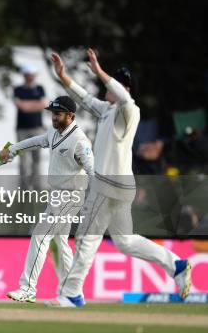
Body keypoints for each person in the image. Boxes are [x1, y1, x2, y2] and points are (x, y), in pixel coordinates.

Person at [48, 49, 193, 307]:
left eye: (113, 83)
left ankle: (72, 293)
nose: (106, 85)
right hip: (118, 187)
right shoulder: (107, 109)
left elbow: (124, 97)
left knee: (87, 238)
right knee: (125, 242)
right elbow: (83, 97)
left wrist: (99, 71)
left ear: (123, 88)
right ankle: (177, 265)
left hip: (108, 186)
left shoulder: (130, 110)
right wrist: (63, 76)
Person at [0, 96, 94, 303]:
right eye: (52, 113)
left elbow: (92, 170)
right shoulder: (54, 132)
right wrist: (13, 148)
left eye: (58, 114)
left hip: (70, 196)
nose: (53, 117)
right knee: (60, 243)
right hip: (56, 196)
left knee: (40, 236)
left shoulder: (80, 140)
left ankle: (27, 289)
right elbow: (36, 141)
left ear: (71, 116)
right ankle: (72, 293)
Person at [14, 65, 48, 190]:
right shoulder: (18, 89)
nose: (30, 77)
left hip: (38, 128)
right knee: (23, 160)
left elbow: (43, 105)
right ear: (24, 76)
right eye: (27, 74)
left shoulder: (40, 88)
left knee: (37, 159)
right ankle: (24, 187)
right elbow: (21, 106)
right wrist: (35, 104)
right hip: (22, 129)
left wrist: (27, 105)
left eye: (32, 74)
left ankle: (37, 187)